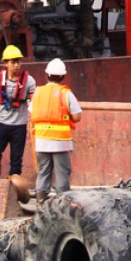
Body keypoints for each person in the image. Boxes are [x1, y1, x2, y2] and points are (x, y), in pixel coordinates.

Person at [0, 45, 35, 190]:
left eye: (18, 61)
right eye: (12, 62)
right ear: (5, 63)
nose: (16, 65)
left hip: (19, 126)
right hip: (2, 124)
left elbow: (34, 102)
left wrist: (34, 120)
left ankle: (13, 187)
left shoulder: (29, 81)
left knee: (16, 160)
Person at [30, 58, 82, 202]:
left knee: (43, 171)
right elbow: (77, 116)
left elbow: (32, 112)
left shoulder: (37, 93)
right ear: (63, 76)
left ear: (46, 75)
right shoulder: (66, 93)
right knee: (62, 172)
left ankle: (40, 200)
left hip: (41, 140)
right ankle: (62, 202)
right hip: (60, 141)